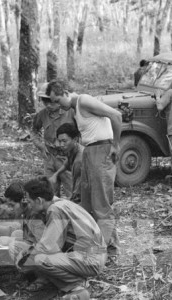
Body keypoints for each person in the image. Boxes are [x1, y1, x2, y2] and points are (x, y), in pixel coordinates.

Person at [45, 80, 121, 258]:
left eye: (57, 100)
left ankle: (100, 254)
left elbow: (116, 115)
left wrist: (116, 145)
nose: (55, 106)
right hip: (89, 152)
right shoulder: (74, 109)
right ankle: (102, 247)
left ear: (65, 92)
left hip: (101, 150)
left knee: (102, 206)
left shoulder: (84, 100)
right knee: (87, 205)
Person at [9, 177, 106, 300]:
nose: (28, 205)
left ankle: (77, 286)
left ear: (39, 200)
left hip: (92, 258)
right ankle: (62, 283)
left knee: (40, 259)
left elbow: (48, 246)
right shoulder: (59, 204)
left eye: (29, 202)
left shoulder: (55, 210)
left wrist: (24, 254)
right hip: (92, 254)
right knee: (29, 253)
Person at [32, 82, 75, 197]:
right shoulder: (41, 115)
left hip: (67, 158)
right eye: (44, 101)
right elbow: (34, 131)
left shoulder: (70, 112)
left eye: (50, 101)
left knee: (71, 191)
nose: (48, 105)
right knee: (50, 192)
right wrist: (40, 146)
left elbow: (81, 132)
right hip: (50, 157)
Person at [50, 123, 84, 204]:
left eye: (64, 141)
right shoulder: (71, 149)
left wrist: (67, 201)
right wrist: (56, 174)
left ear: (75, 139)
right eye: (59, 141)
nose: (61, 145)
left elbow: (78, 192)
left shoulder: (79, 160)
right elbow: (67, 163)